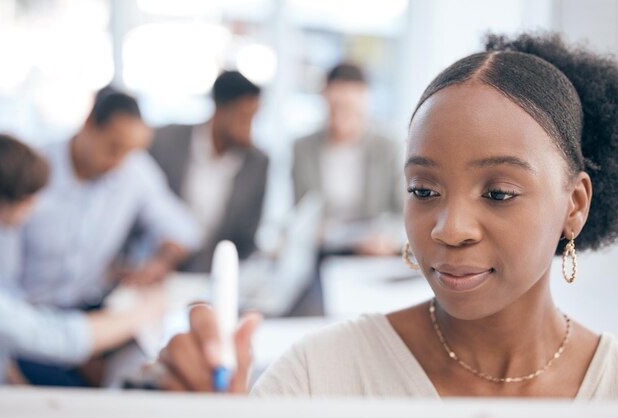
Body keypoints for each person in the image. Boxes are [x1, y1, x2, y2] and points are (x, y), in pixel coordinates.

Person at [155, 33, 618, 398]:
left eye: (498, 193)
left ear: (574, 206)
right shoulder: (317, 377)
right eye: (424, 189)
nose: (449, 228)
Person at [0, 91, 199, 310]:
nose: (119, 163)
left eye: (130, 152)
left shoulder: (134, 171)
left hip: (93, 309)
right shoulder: (32, 172)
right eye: (114, 148)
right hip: (27, 314)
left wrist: (160, 261)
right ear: (88, 125)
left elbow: (185, 230)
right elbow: (3, 285)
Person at [0, 134, 166, 385]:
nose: (36, 206)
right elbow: (52, 336)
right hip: (45, 329)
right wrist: (142, 313)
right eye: (30, 197)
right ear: (5, 203)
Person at [151, 71, 269, 272]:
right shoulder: (166, 141)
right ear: (219, 110)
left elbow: (248, 239)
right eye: (243, 118)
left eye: (253, 119)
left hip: (216, 275)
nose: (249, 130)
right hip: (159, 268)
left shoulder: (257, 162)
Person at [292, 63, 403, 256]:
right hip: (321, 252)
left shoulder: (387, 147)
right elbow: (301, 211)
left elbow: (404, 212)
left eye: (350, 109)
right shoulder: (303, 148)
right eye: (335, 108)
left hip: (371, 254)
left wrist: (388, 238)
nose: (341, 119)